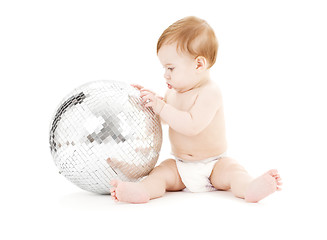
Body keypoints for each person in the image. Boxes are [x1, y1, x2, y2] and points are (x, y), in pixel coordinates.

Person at [109, 16, 282, 203]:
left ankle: (250, 187)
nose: (165, 75)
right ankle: (143, 190)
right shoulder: (174, 93)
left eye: (171, 68)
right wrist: (149, 103)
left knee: (234, 171)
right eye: (164, 68)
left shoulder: (210, 92)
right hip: (180, 166)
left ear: (199, 64)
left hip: (214, 165)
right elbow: (167, 119)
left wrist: (162, 106)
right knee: (159, 174)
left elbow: (192, 125)